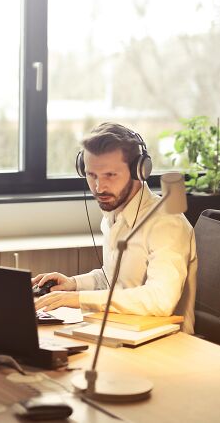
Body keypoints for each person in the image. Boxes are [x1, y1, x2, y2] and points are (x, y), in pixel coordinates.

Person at [33, 123, 197, 333]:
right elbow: (114, 279)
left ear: (139, 170)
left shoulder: (166, 222)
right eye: (92, 175)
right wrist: (73, 284)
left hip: (165, 344)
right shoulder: (114, 214)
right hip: (121, 330)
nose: (99, 188)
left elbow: (160, 300)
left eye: (110, 175)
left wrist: (78, 299)